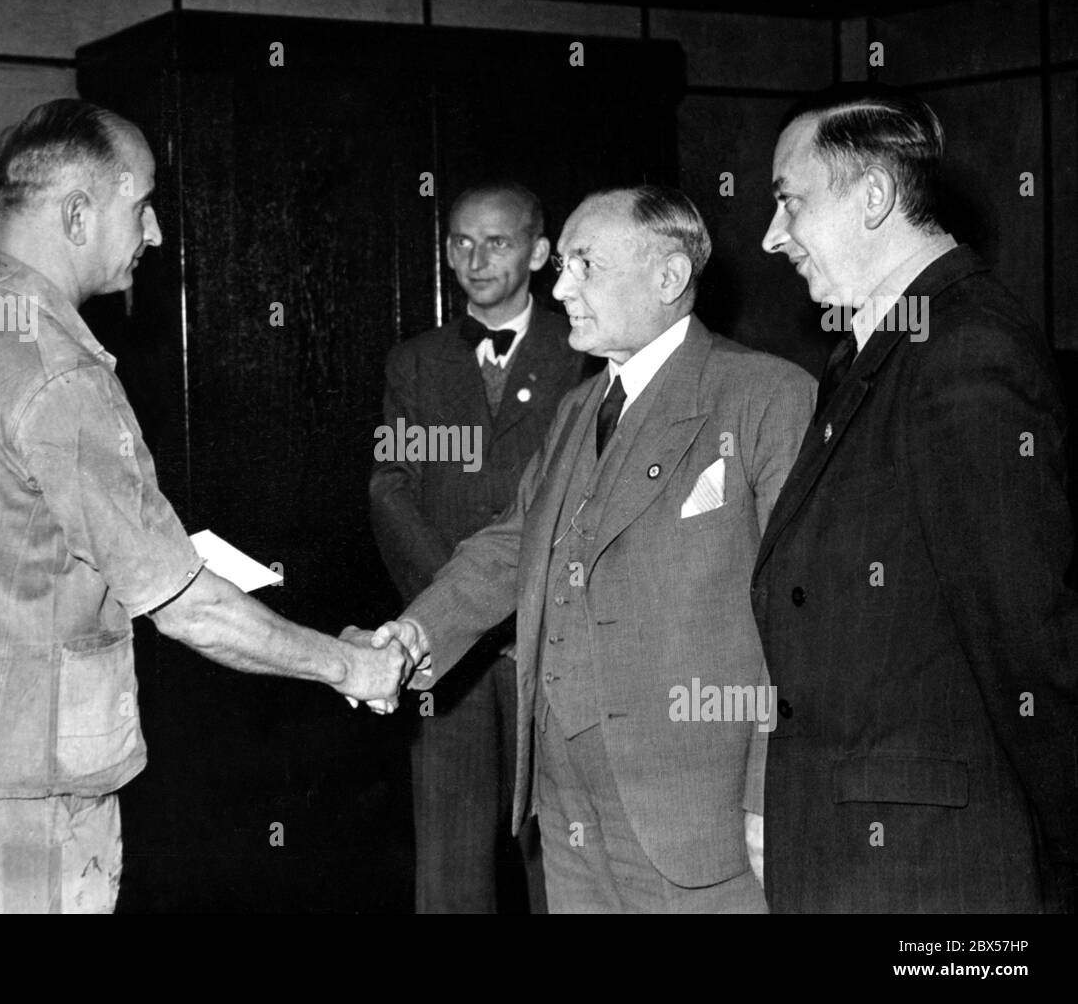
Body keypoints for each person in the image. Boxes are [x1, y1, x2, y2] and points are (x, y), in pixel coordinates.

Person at [0, 99, 408, 914]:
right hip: (13, 790)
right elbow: (188, 609)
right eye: (142, 205)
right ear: (76, 212)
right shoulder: (60, 375)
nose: (157, 233)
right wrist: (353, 666)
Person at [359, 185, 815, 912]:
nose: (560, 286)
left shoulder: (766, 396)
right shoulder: (579, 408)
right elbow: (511, 546)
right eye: (562, 263)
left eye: (584, 265)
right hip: (568, 806)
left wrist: (771, 793)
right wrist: (411, 637)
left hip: (700, 816)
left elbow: (804, 618)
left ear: (668, 278)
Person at [753, 83, 1078, 912]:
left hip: (933, 869)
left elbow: (1026, 638)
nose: (770, 237)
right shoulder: (884, 341)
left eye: (790, 203)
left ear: (873, 197)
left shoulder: (966, 349)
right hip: (864, 850)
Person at [370, 182, 589, 913]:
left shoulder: (585, 347)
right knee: (451, 859)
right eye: (461, 241)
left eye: (496, 242)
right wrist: (460, 608)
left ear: (539, 251)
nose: (475, 258)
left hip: (555, 642)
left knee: (560, 852)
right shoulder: (416, 362)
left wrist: (523, 607)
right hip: (449, 651)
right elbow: (389, 490)